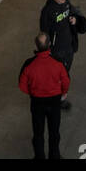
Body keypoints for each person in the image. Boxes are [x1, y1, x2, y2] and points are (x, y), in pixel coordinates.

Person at [18, 31, 70, 160]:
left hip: (37, 102)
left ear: (36, 46)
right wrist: (63, 93)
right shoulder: (58, 62)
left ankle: (39, 156)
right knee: (54, 132)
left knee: (38, 132)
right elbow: (66, 81)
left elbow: (22, 85)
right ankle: (54, 155)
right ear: (50, 44)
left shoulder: (29, 64)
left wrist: (32, 93)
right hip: (54, 102)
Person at [40, 0, 86, 107]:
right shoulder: (47, 11)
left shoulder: (66, 3)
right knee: (58, 76)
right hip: (56, 51)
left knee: (65, 73)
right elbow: (44, 32)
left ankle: (60, 97)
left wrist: (74, 20)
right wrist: (46, 51)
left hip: (69, 47)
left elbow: (73, 13)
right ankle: (55, 98)